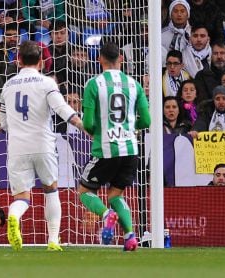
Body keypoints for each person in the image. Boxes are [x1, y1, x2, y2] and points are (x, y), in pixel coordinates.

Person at [0, 40, 84, 251]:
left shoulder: (7, 86)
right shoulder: (47, 83)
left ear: (18, 60)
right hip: (43, 144)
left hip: (17, 147)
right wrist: (83, 126)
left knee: (21, 197)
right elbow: (62, 109)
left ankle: (13, 215)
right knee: (51, 190)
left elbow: (3, 125)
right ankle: (53, 240)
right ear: (41, 61)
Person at [77, 41, 151, 252]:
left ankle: (106, 214)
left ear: (99, 59)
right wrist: (129, 128)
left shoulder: (94, 83)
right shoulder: (134, 84)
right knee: (115, 195)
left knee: (84, 191)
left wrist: (98, 131)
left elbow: (89, 123)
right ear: (121, 59)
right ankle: (130, 236)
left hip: (106, 148)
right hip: (130, 149)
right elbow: (146, 121)